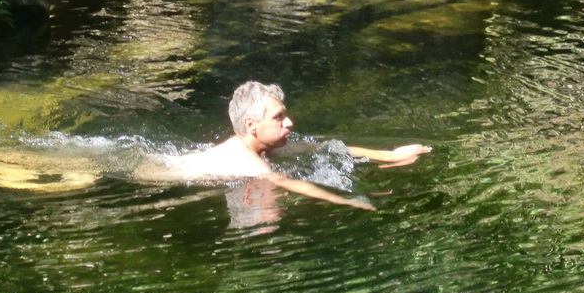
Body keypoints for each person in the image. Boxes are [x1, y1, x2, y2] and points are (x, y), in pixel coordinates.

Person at [137, 81, 431, 210]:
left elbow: (327, 148)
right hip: (144, 173)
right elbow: (291, 184)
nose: (289, 122)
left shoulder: (266, 149)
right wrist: (351, 201)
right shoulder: (247, 161)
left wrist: (389, 156)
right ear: (252, 126)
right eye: (279, 117)